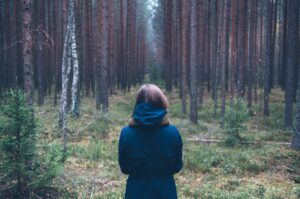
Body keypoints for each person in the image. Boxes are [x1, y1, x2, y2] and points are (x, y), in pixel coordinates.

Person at [118, 84, 183, 199]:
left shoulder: (126, 133)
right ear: (161, 103)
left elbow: (124, 168)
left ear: (137, 103)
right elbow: (177, 166)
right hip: (165, 191)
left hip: (136, 192)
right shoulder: (173, 132)